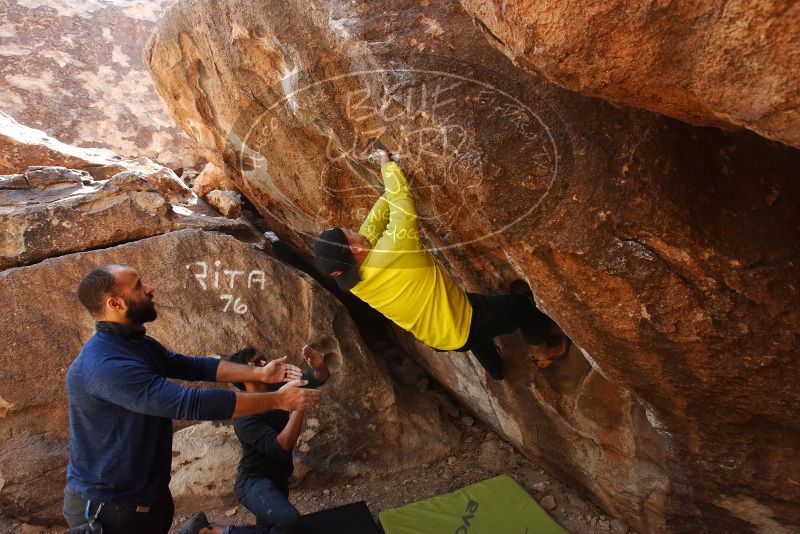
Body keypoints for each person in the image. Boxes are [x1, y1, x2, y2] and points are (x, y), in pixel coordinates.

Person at [63, 264, 322, 534]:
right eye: (139, 286)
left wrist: (259, 372)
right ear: (114, 303)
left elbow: (194, 366)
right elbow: (191, 403)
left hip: (144, 496)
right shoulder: (106, 364)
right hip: (111, 506)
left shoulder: (136, 345)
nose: (150, 289)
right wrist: (277, 400)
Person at [313, 150, 567, 380]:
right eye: (348, 231)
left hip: (437, 335)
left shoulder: (353, 280)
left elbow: (372, 225)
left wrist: (389, 189)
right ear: (355, 249)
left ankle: (497, 372)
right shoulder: (394, 251)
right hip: (465, 322)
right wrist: (388, 167)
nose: (353, 228)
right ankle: (543, 353)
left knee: (471, 331)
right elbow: (402, 208)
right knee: (524, 307)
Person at [179, 345, 331, 534]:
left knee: (271, 530)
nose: (265, 363)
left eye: (262, 358)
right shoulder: (244, 416)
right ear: (244, 374)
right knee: (288, 520)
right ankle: (214, 531)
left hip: (278, 477)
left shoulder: (277, 389)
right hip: (253, 482)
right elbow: (281, 447)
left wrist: (319, 365)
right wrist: (299, 407)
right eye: (256, 362)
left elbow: (319, 377)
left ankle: (208, 530)